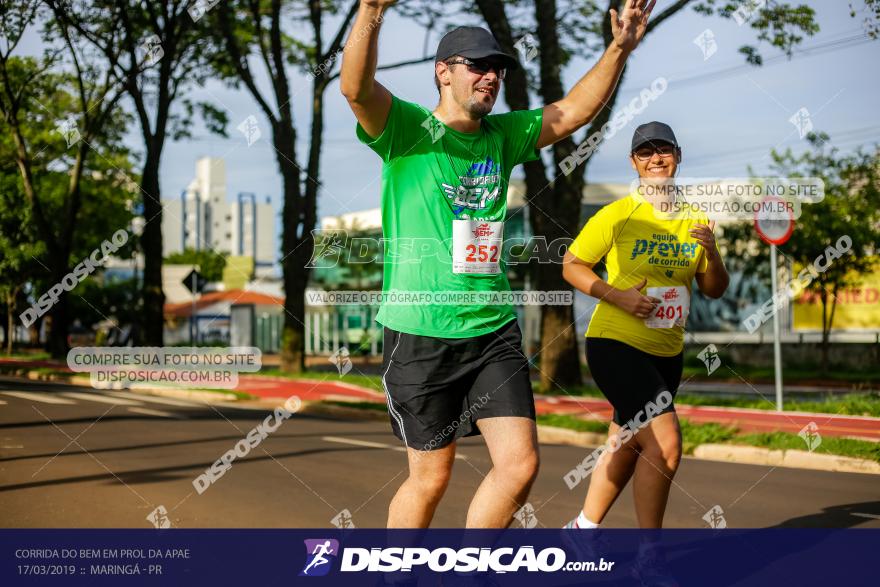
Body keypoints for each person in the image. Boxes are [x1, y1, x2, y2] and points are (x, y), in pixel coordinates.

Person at [340, 0, 655, 529]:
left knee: (519, 465)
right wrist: (372, 9)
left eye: (499, 68)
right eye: (479, 65)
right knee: (431, 477)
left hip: (492, 330)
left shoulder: (502, 136)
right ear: (443, 72)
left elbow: (574, 110)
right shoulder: (406, 129)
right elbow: (355, 88)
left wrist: (619, 48)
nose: (492, 76)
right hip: (421, 331)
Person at [561, 122, 729, 580]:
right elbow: (572, 265)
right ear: (634, 162)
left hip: (666, 349)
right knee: (666, 445)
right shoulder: (618, 213)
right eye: (646, 153)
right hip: (615, 341)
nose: (656, 158)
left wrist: (712, 255)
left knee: (627, 442)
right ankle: (649, 557)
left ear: (678, 155)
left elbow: (713, 290)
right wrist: (616, 294)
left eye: (664, 151)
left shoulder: (696, 219)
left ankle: (583, 527)